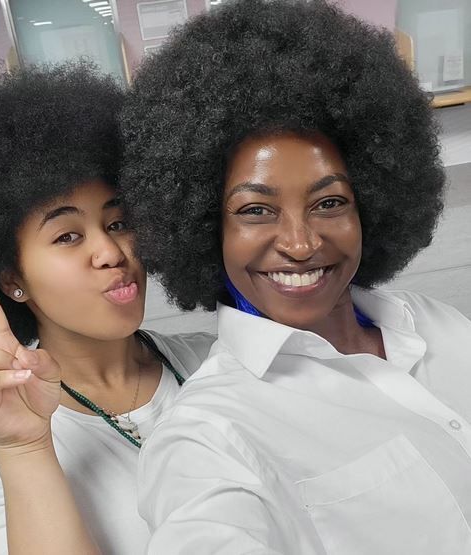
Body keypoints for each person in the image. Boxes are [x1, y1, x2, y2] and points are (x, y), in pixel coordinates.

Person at [120, 0, 471, 553]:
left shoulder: (434, 322)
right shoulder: (210, 434)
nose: (301, 244)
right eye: (255, 210)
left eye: (329, 202)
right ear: (205, 227)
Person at [0, 62, 214, 555]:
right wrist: (25, 449)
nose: (111, 252)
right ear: (12, 280)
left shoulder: (219, 363)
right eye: (68, 236)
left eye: (118, 223)